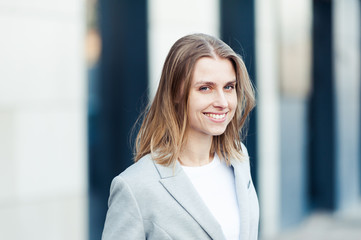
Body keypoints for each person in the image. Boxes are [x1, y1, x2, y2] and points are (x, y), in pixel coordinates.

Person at [102, 33, 259, 240]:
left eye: (229, 87)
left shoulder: (238, 159)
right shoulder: (135, 186)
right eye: (206, 88)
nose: (222, 101)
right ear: (176, 92)